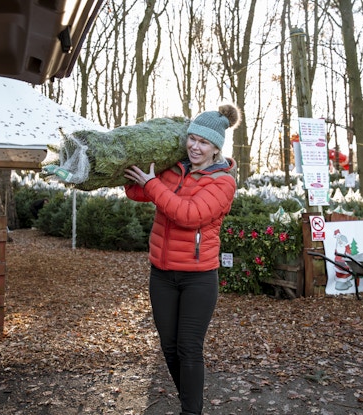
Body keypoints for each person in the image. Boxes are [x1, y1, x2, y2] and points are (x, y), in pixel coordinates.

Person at [124, 104, 241, 415]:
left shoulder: (223, 182)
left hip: (198, 277)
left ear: (216, 148)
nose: (195, 146)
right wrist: (134, 174)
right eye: (192, 139)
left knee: (189, 348)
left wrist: (152, 184)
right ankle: (190, 401)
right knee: (170, 349)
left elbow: (188, 215)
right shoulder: (174, 169)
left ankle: (191, 411)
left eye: (203, 142)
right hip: (161, 274)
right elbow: (138, 193)